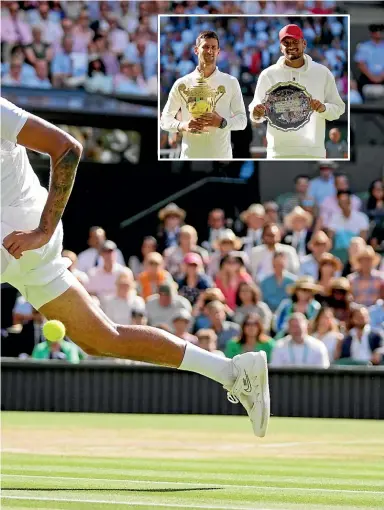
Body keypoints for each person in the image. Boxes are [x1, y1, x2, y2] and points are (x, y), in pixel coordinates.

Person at [0, 97, 270, 437]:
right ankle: (232, 371)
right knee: (101, 339)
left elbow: (67, 148)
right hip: (24, 249)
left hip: (21, 233)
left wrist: (43, 230)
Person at [249, 24, 345, 159]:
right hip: (278, 153)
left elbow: (338, 108)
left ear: (304, 43)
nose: (291, 46)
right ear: (280, 47)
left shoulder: (322, 73)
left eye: (295, 41)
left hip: (313, 152)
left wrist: (323, 108)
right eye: (286, 43)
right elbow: (255, 110)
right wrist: (257, 113)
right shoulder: (268, 74)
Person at [160, 30, 247, 159]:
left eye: (213, 47)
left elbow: (242, 121)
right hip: (189, 158)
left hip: (221, 158)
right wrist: (183, 125)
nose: (209, 51)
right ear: (196, 50)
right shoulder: (182, 83)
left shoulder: (231, 82)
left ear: (218, 51)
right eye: (205, 47)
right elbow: (164, 120)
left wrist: (221, 122)